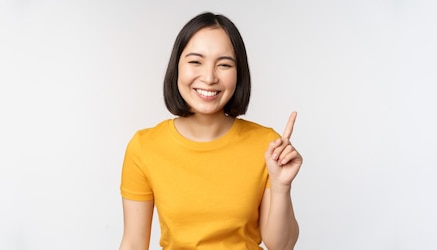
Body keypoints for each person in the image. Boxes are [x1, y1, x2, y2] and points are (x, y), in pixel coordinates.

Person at [119, 12, 302, 250]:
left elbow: (281, 245)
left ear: (239, 73)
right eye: (195, 61)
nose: (209, 77)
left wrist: (281, 186)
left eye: (224, 65)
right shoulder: (144, 146)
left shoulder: (267, 144)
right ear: (177, 67)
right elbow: (133, 243)